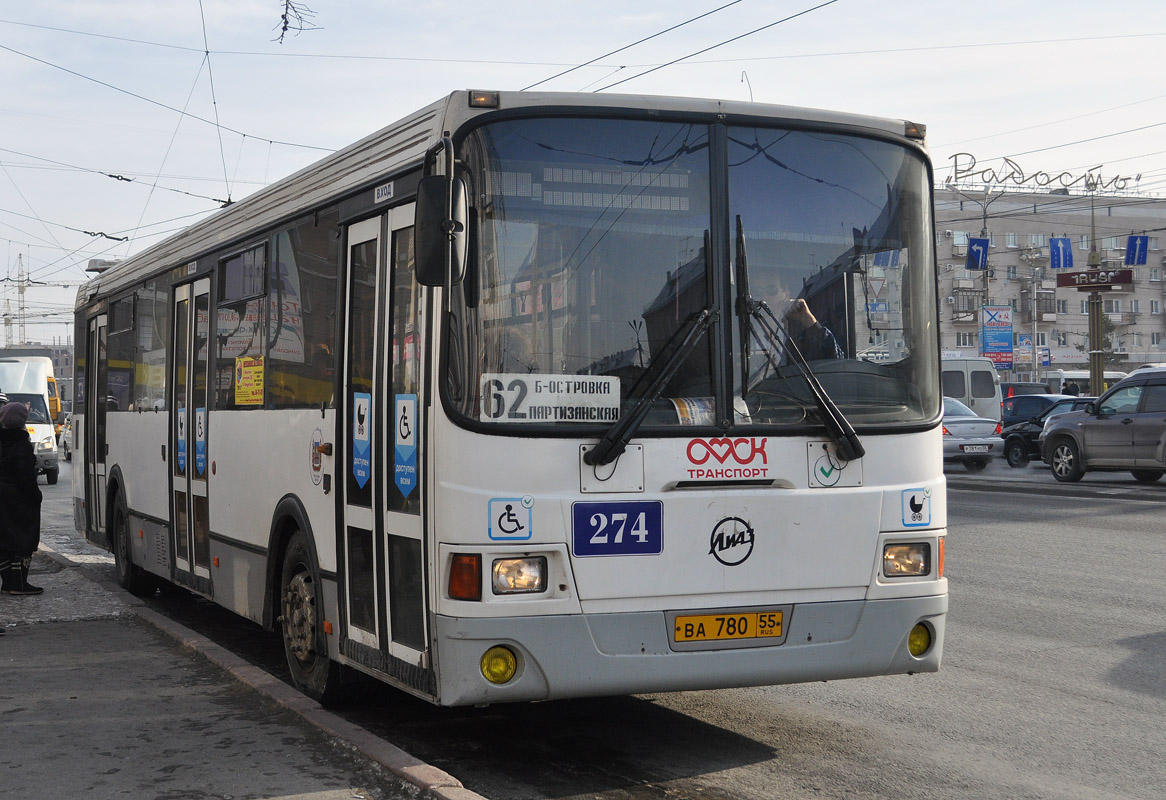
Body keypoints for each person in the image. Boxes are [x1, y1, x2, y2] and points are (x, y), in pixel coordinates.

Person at [0, 398, 44, 596]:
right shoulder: (21, 443)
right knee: (23, 539)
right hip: (19, 500)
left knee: (4, 539)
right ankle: (18, 583)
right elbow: (26, 476)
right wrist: (36, 496)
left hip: (2, 499)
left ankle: (8, 581)